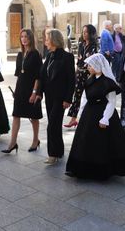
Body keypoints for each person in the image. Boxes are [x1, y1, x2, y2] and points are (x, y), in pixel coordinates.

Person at [65, 53, 125, 180]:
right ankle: (82, 169)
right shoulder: (89, 80)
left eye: (91, 65)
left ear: (98, 65)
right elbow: (84, 97)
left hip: (102, 113)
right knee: (85, 142)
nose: (88, 67)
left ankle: (103, 170)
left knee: (103, 144)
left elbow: (111, 102)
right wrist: (80, 114)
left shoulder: (108, 83)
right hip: (89, 114)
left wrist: (105, 118)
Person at [2, 29, 42, 153]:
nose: (23, 39)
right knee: (16, 115)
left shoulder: (36, 54)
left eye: (26, 36)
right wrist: (16, 91)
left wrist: (34, 93)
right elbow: (20, 74)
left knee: (33, 117)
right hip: (20, 89)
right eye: (22, 36)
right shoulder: (20, 55)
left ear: (30, 38)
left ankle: (35, 140)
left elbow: (38, 77)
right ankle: (12, 142)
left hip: (32, 89)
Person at [40, 29, 75, 164]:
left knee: (52, 125)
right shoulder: (49, 56)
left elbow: (71, 80)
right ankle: (59, 151)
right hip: (49, 96)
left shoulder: (67, 57)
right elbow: (43, 75)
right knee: (54, 124)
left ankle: (53, 154)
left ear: (54, 40)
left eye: (47, 39)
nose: (45, 41)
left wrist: (68, 99)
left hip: (60, 97)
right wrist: (38, 93)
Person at [64, 24, 98, 128]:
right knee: (77, 96)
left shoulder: (94, 46)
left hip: (88, 74)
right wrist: (76, 72)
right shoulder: (81, 45)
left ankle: (91, 118)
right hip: (79, 74)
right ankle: (73, 119)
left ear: (91, 33)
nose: (84, 34)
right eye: (83, 32)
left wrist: (91, 74)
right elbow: (79, 60)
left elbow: (93, 62)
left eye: (86, 32)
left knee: (90, 96)